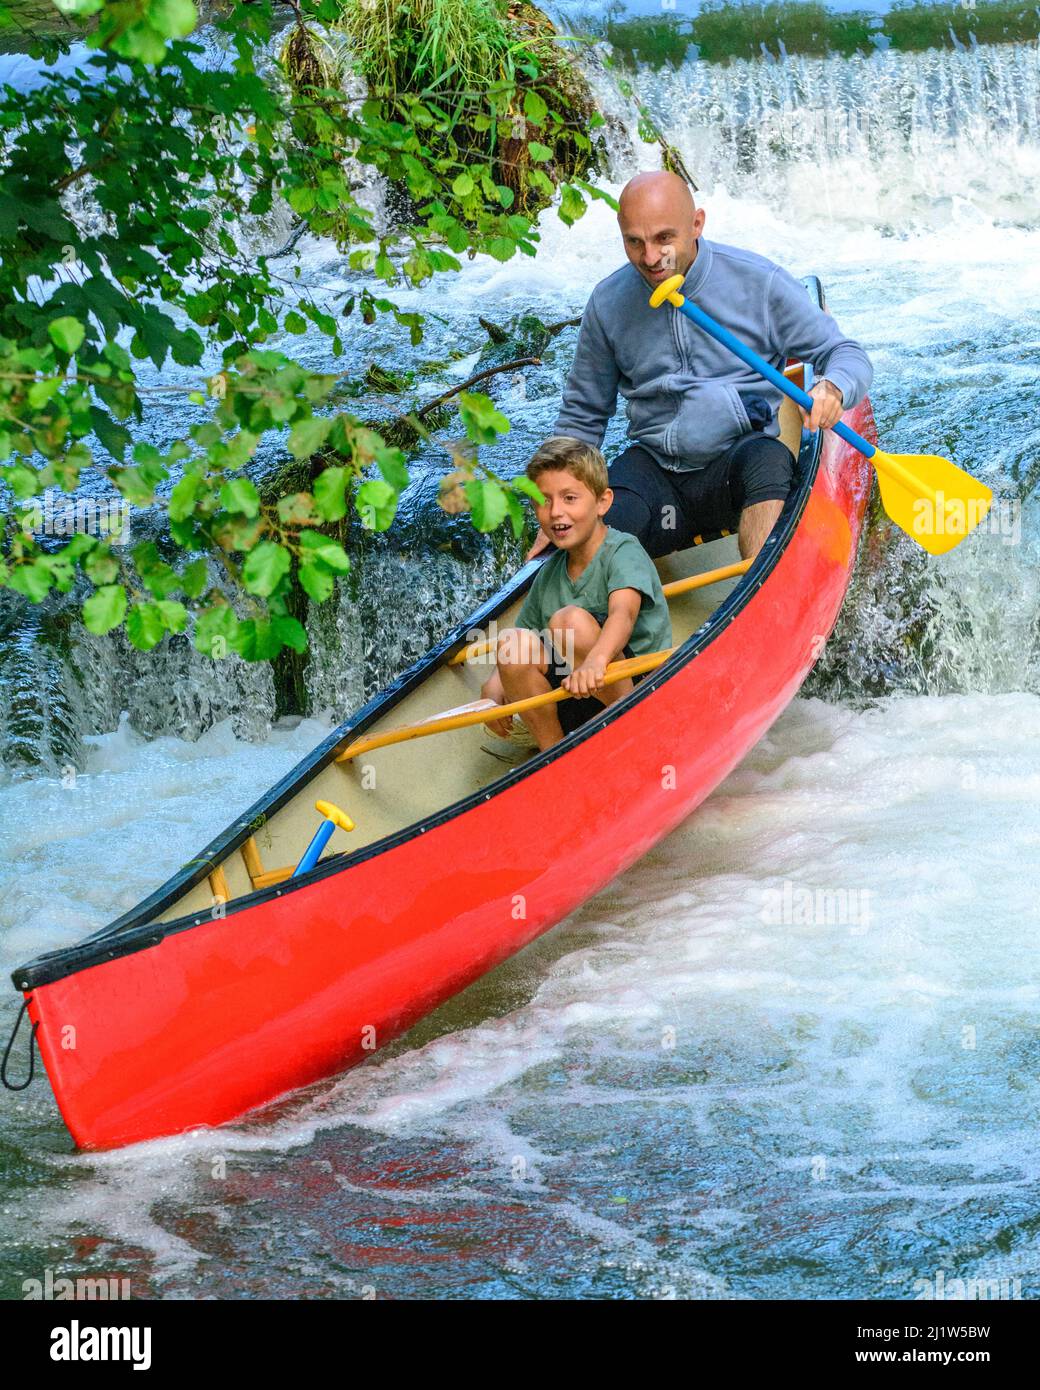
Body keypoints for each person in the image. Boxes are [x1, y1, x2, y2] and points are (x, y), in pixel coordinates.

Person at [529, 171, 873, 563]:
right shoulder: (608, 303)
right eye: (634, 242)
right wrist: (558, 503)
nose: (650, 258)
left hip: (740, 462)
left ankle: (764, 596)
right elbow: (583, 413)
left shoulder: (759, 282)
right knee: (588, 532)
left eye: (664, 238)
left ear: (697, 225)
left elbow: (846, 353)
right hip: (655, 474)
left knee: (769, 462)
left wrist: (833, 388)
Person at [481, 436, 672, 751]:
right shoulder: (550, 573)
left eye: (570, 498)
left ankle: (633, 730)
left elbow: (623, 615)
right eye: (544, 501)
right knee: (512, 645)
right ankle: (554, 754)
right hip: (577, 693)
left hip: (637, 685)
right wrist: (493, 686)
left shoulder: (623, 550)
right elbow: (524, 633)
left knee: (568, 622)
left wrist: (596, 662)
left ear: (602, 502)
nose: (556, 512)